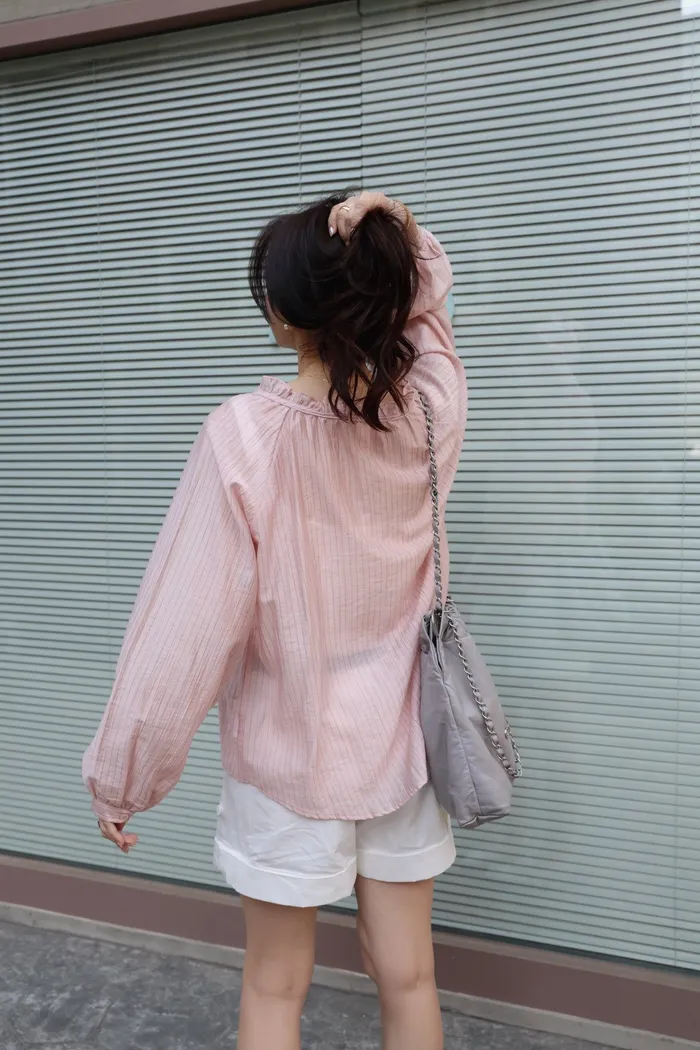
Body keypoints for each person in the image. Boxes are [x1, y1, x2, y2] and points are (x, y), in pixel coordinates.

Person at [83, 189, 467, 1050]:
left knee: (274, 982)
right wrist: (402, 235)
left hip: (287, 759)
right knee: (409, 974)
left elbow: (183, 634)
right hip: (404, 748)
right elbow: (432, 329)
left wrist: (123, 774)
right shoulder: (429, 415)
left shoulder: (244, 438)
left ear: (287, 313)